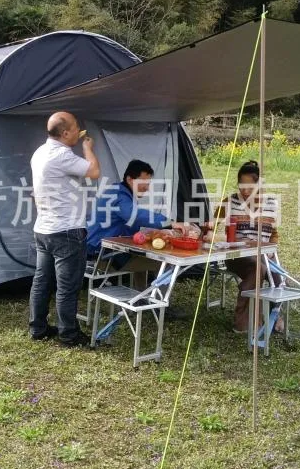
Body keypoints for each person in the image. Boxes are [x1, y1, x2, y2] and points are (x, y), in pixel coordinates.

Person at [29, 111, 99, 346]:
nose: (79, 131)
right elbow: (94, 172)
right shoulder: (62, 155)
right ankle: (69, 335)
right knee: (67, 287)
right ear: (66, 132)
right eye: (76, 127)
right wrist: (88, 147)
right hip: (66, 231)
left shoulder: (39, 153)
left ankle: (38, 328)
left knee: (41, 281)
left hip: (44, 229)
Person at [87, 159, 195, 289]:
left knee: (142, 256)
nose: (147, 187)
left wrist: (154, 232)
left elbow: (130, 223)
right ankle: (159, 305)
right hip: (103, 255)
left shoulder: (118, 191)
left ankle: (141, 296)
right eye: (143, 182)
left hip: (102, 248)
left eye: (148, 183)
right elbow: (136, 216)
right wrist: (170, 223)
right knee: (165, 262)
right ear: (130, 179)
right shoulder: (119, 196)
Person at [214, 160, 283, 334]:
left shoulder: (271, 204)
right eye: (241, 186)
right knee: (258, 269)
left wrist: (270, 249)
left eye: (249, 187)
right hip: (236, 256)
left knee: (279, 276)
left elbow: (273, 236)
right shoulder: (229, 202)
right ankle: (245, 322)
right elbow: (211, 225)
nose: (244, 191)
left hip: (264, 254)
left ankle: (274, 316)